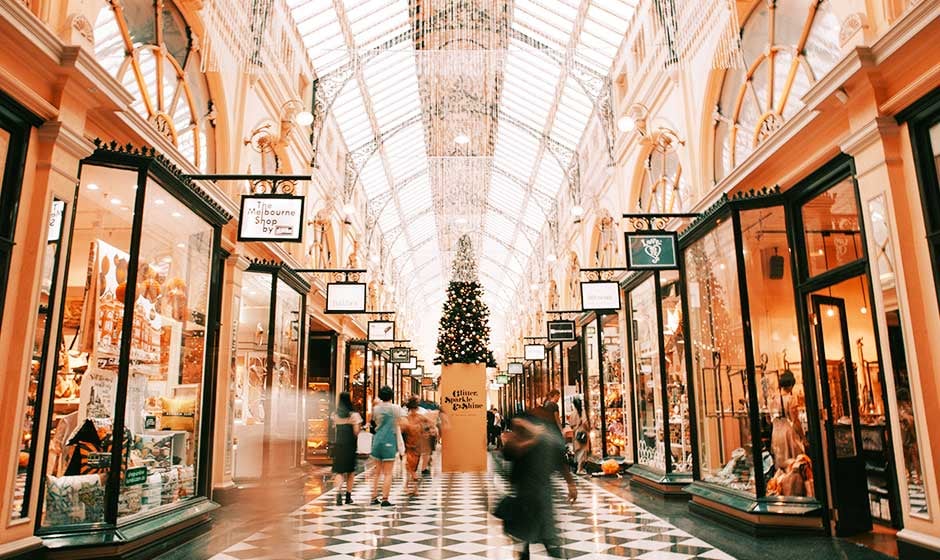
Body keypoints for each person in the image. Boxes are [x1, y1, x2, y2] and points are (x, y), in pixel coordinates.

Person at [500, 412, 577, 560]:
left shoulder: (545, 442)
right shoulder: (521, 441)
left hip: (540, 496)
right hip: (525, 496)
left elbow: (561, 461)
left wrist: (571, 484)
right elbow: (509, 453)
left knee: (547, 539)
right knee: (525, 541)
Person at [370, 386, 400, 506]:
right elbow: (401, 422)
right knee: (388, 473)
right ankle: (385, 499)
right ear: (391, 396)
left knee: (377, 472)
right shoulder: (395, 409)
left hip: (377, 441)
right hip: (389, 441)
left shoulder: (375, 409)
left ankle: (373, 497)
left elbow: (372, 421)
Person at [330, 392, 361, 505]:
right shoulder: (354, 415)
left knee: (339, 471)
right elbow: (356, 432)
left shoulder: (335, 415)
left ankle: (338, 493)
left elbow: (333, 428)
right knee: (350, 472)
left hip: (339, 445)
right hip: (350, 446)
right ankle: (348, 496)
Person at [400, 397, 432, 496]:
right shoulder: (411, 418)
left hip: (413, 446)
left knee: (411, 467)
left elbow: (430, 423)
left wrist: (426, 431)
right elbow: (430, 422)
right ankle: (411, 485)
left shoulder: (408, 418)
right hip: (412, 446)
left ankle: (412, 485)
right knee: (410, 466)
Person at [567, 397, 590, 474]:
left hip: (576, 433)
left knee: (578, 450)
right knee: (583, 451)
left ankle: (578, 467)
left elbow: (570, 424)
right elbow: (585, 422)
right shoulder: (582, 412)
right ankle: (579, 469)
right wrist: (588, 429)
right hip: (582, 432)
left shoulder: (573, 413)